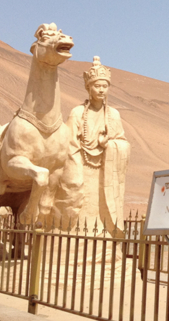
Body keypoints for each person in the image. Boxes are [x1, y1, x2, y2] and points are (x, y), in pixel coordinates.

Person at [65, 56, 130, 234]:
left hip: (105, 172)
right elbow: (69, 145)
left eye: (104, 86)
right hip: (81, 170)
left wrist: (108, 145)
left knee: (100, 215)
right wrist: (75, 172)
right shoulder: (77, 113)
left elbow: (123, 143)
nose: (101, 90)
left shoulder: (113, 115)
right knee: (81, 215)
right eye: (97, 86)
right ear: (89, 87)